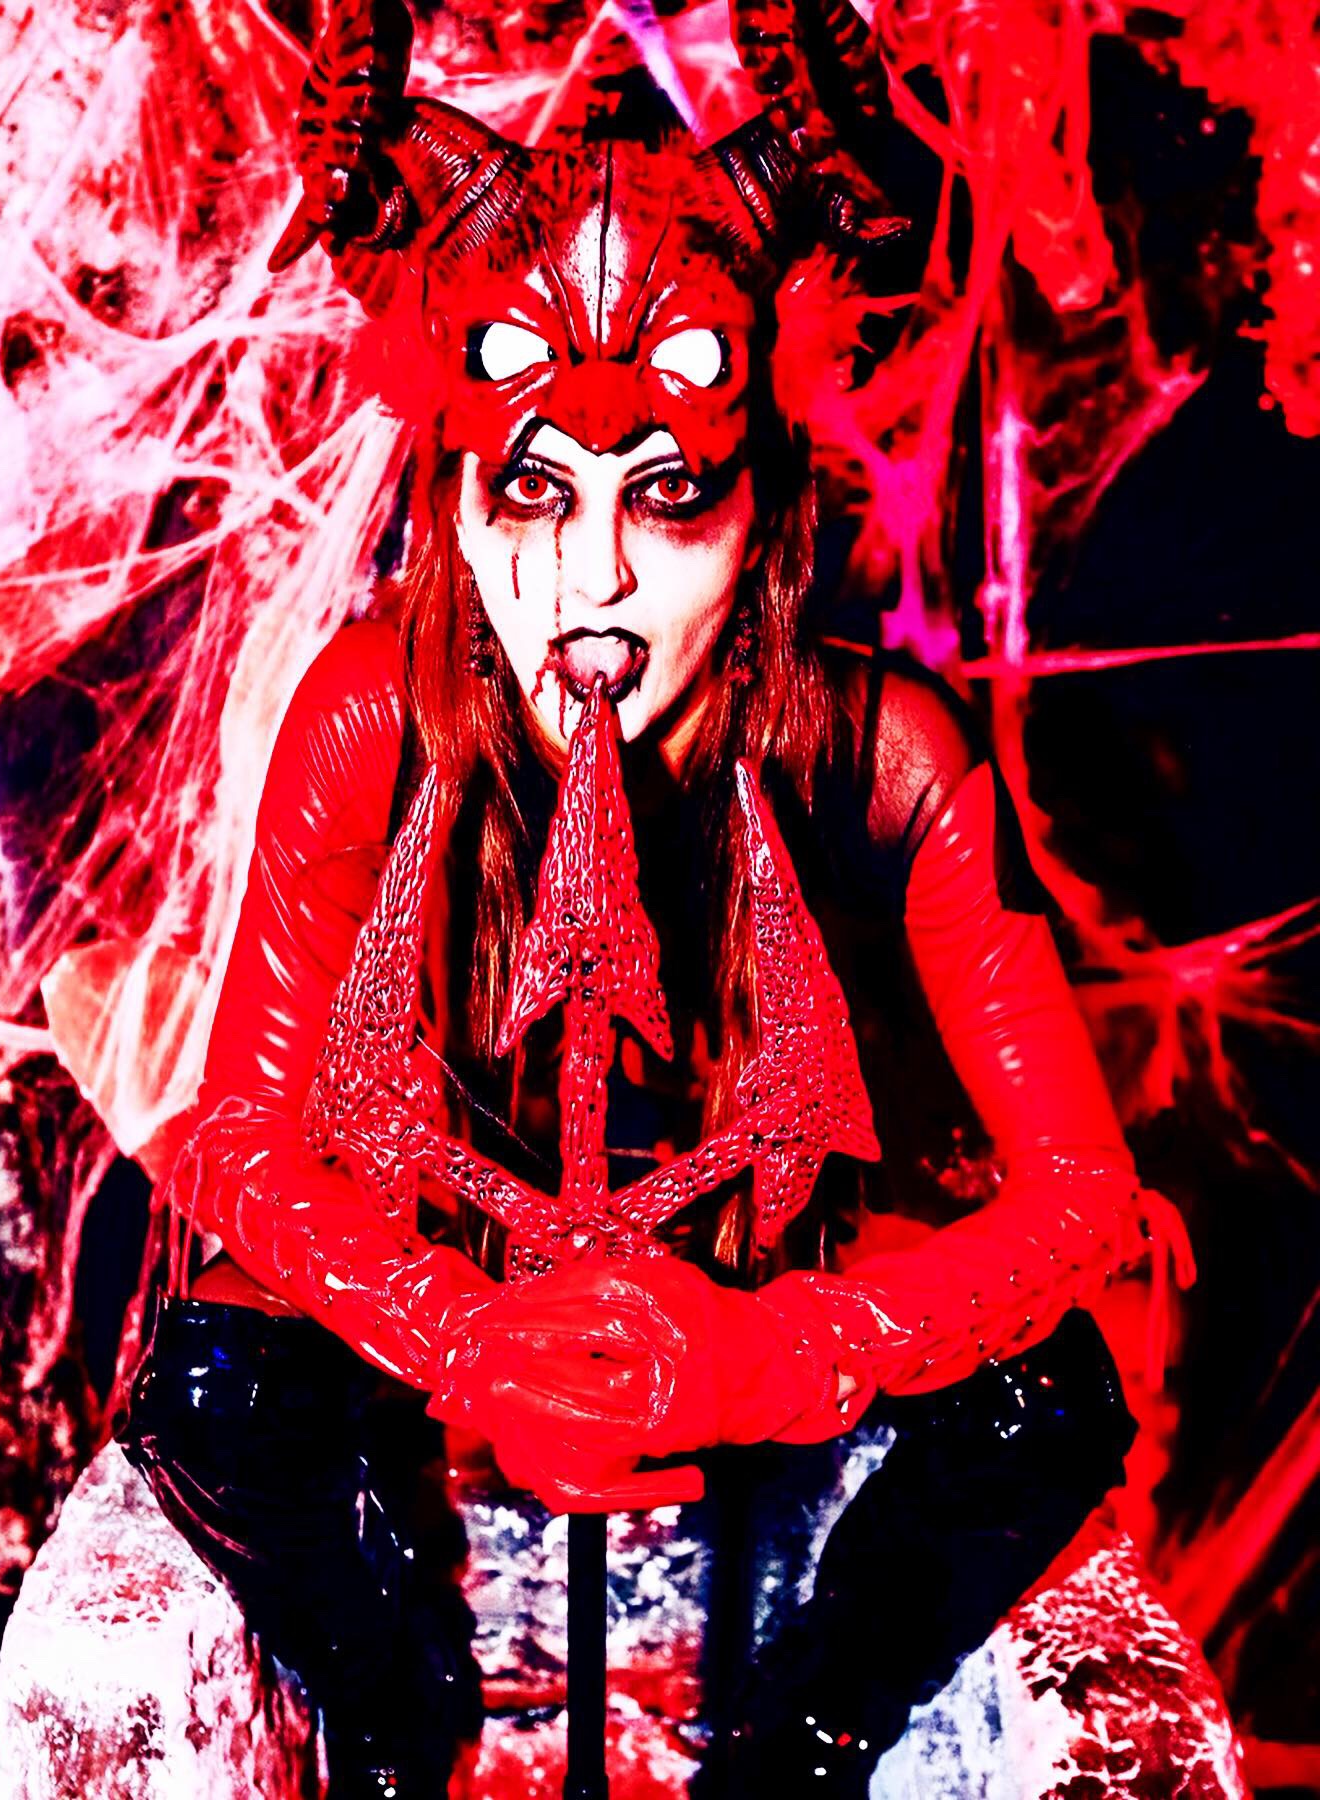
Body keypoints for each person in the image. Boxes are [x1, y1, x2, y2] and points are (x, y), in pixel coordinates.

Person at [119, 2, 1195, 1793]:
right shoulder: (371, 716)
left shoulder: (885, 753)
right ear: (455, 500)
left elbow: (1083, 1196)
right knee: (216, 1387)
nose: (592, 579)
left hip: (768, 1298)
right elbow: (237, 1134)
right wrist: (464, 1336)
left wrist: (771, 1355)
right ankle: (395, 1712)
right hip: (453, 1300)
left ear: (762, 514)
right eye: (536, 492)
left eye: (670, 495)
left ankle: (802, 1745)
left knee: (1050, 1401)